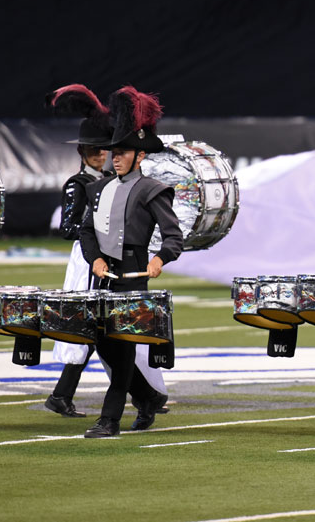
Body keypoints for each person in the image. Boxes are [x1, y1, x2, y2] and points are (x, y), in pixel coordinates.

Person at [43, 84, 170, 421]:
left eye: (112, 150)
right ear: (87, 151)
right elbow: (73, 227)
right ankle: (141, 397)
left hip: (114, 265)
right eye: (103, 151)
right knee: (92, 333)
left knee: (113, 336)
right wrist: (97, 247)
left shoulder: (121, 186)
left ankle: (142, 397)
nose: (108, 156)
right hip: (88, 262)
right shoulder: (82, 185)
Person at [79, 86, 183, 438]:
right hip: (103, 277)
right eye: (113, 153)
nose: (115, 158)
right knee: (104, 345)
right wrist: (93, 259)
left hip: (133, 277)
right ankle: (149, 396)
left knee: (121, 346)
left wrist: (159, 259)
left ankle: (109, 419)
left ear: (139, 156)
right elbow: (86, 233)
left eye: (122, 153)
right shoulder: (98, 190)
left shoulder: (152, 189)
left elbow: (173, 236)